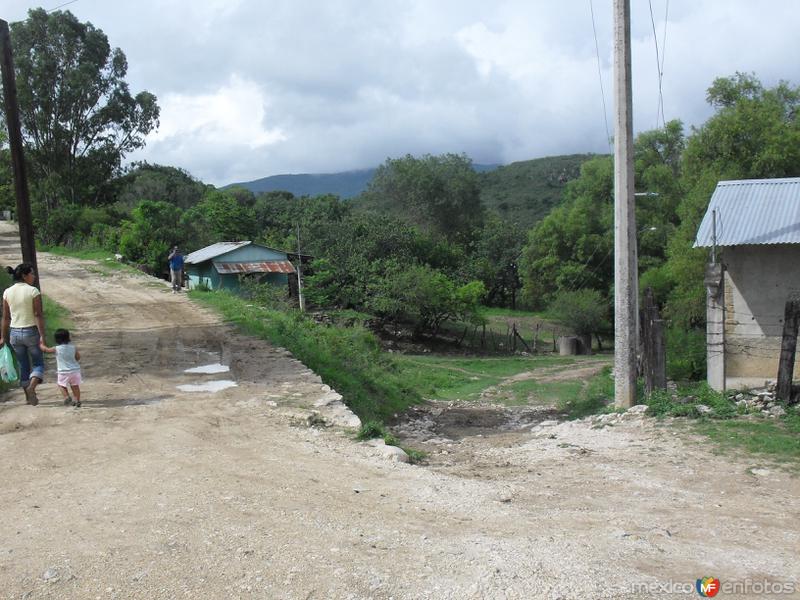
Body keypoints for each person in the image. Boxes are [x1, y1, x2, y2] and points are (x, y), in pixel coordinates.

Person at [0, 263, 46, 405]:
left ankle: (28, 397)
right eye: (32, 273)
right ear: (25, 276)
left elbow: (6, 317)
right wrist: (42, 336)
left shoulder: (7, 292)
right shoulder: (33, 291)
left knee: (23, 365)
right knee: (38, 363)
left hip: (14, 333)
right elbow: (38, 314)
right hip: (31, 331)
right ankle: (32, 387)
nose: (34, 276)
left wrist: (3, 336)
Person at [41, 328, 82, 408]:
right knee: (75, 386)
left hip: (63, 372)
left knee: (61, 385)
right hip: (75, 371)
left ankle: (66, 396)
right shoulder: (73, 348)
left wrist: (41, 344)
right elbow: (78, 357)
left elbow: (46, 350)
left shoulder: (56, 348)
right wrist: (73, 361)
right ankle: (77, 400)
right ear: (68, 338)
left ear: (56, 339)